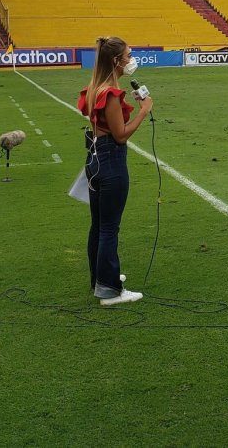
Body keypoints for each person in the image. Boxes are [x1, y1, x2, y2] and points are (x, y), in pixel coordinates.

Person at [77, 37, 153, 306]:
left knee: (99, 225)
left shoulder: (96, 88)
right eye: (128, 55)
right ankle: (109, 290)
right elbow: (120, 135)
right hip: (111, 161)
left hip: (96, 159)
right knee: (109, 228)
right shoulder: (109, 93)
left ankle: (100, 277)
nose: (131, 59)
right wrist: (143, 111)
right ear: (115, 60)